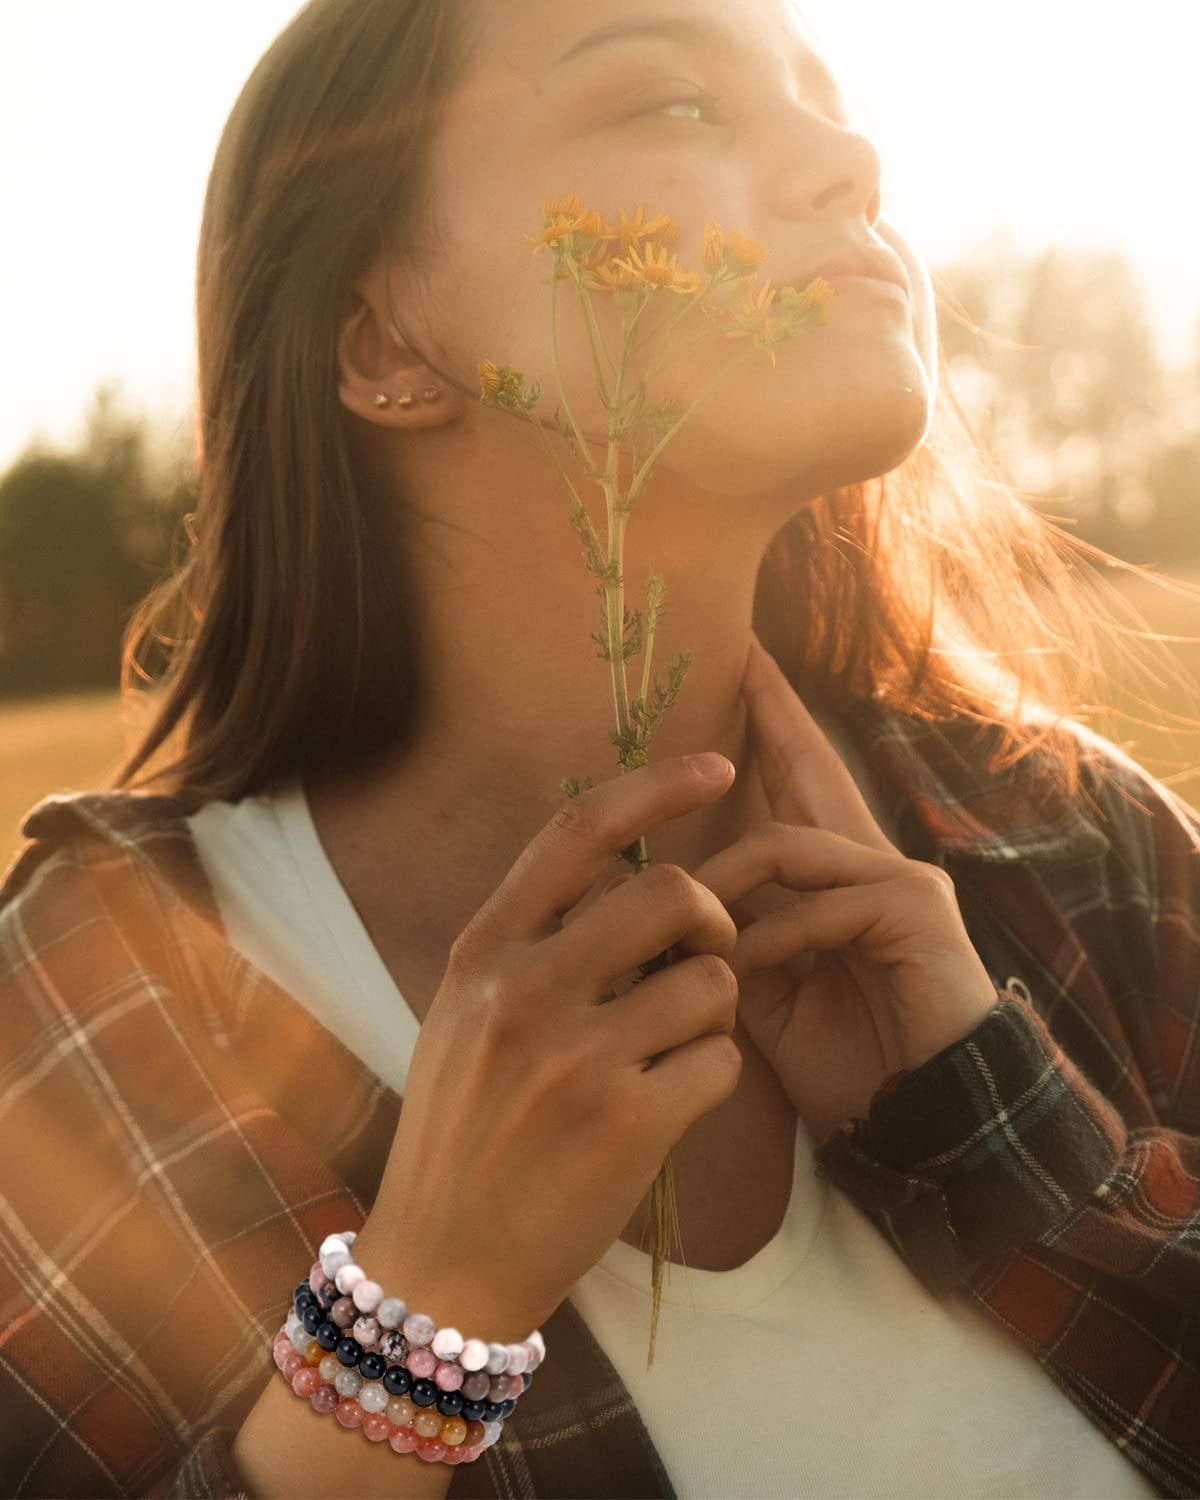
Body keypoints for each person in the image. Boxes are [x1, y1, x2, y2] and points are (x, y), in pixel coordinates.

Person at [2, 0, 1198, 1496]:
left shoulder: (1074, 841)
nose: (852, 162)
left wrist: (1002, 1134)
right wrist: (415, 1314)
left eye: (826, 99)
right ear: (384, 341)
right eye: (670, 102)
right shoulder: (80, 1024)